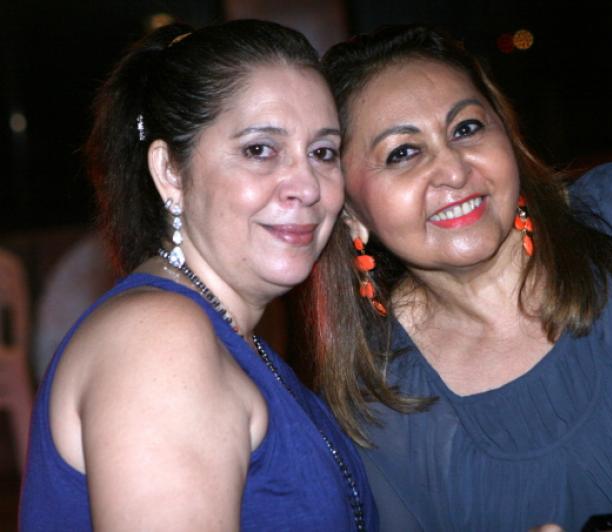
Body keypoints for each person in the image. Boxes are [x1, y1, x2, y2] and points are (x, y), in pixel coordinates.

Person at [305, 25, 612, 531]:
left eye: (467, 128)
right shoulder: (373, 409)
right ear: (350, 213)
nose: (453, 169)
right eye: (402, 153)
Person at [19, 19, 377, 531]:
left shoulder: (228, 338)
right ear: (171, 171)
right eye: (260, 149)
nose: (307, 186)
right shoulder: (161, 342)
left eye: (322, 153)